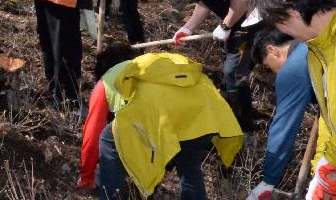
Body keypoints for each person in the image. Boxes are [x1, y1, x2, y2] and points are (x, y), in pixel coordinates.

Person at [76, 47, 243, 199]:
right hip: (202, 109)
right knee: (189, 167)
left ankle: (112, 195)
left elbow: (92, 135)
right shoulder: (154, 64)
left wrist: (87, 176)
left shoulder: (106, 81)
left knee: (108, 139)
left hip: (167, 111)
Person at [251, 0, 336, 200]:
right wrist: (321, 164)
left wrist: (333, 163)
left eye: (277, 22)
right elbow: (330, 118)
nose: (284, 32)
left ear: (291, 12)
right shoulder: (317, 51)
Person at [152, 0, 260, 130]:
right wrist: (188, 28)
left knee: (234, 73)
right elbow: (204, 2)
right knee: (228, 73)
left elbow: (242, 0)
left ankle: (246, 130)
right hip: (237, 23)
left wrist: (225, 26)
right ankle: (226, 113)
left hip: (255, 23)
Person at [246, 29, 314, 199]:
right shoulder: (312, 44)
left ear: (272, 50)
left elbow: (284, 126)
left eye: (268, 66)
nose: (274, 72)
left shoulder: (292, 69)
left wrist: (268, 180)